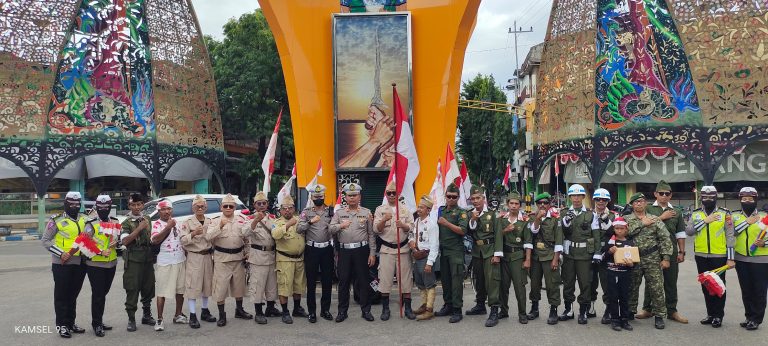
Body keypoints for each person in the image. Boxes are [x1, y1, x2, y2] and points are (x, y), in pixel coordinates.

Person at [638, 180, 688, 324]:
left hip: (671, 251)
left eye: (667, 193)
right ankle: (648, 309)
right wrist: (662, 218)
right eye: (661, 193)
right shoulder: (648, 209)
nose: (664, 196)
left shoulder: (677, 211)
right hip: (651, 250)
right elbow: (644, 226)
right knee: (651, 281)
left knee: (671, 281)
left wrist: (682, 252)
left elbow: (680, 233)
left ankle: (672, 310)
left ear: (671, 195)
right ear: (655, 194)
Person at [685, 185, 735, 328]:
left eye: (711, 197)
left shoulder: (725, 213)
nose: (708, 199)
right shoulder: (695, 213)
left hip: (719, 255)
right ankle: (711, 314)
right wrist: (705, 221)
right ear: (701, 197)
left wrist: (730, 258)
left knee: (718, 285)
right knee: (706, 286)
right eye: (705, 197)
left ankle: (718, 316)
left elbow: (730, 236)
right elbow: (689, 231)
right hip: (701, 255)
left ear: (715, 197)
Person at [42, 191, 89, 338]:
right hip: (62, 263)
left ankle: (70, 323)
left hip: (80, 263)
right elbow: (45, 240)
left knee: (73, 295)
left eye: (77, 204)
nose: (74, 206)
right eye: (71, 203)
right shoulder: (56, 220)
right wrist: (61, 253)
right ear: (65, 203)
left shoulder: (85, 219)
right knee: (62, 295)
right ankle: (62, 325)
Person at [329, 183, 377, 322]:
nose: (352, 198)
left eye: (354, 195)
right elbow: (331, 229)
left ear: (359, 196)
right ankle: (342, 312)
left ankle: (366, 310)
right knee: (343, 282)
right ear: (345, 197)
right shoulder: (339, 213)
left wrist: (372, 253)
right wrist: (340, 225)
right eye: (349, 196)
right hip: (345, 252)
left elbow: (371, 235)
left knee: (363, 281)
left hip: (362, 251)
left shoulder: (366, 213)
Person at [625, 193, 673, 330]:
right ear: (632, 205)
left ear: (645, 203)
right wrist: (641, 224)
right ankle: (629, 311)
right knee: (631, 286)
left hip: (652, 257)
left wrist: (666, 258)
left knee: (656, 288)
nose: (639, 204)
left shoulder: (654, 219)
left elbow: (664, 238)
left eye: (641, 201)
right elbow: (622, 234)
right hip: (633, 257)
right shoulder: (626, 219)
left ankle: (659, 315)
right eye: (636, 202)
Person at [205, 193, 253, 326]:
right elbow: (208, 237)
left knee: (239, 287)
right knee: (220, 288)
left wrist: (247, 252)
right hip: (222, 259)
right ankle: (222, 315)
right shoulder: (215, 221)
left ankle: (239, 310)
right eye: (225, 206)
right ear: (221, 207)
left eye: (230, 206)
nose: (228, 208)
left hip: (238, 258)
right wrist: (220, 226)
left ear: (234, 207)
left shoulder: (242, 219)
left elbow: (247, 238)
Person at [374, 180, 416, 320]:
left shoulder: (405, 209)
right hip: (386, 250)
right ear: (386, 194)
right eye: (389, 193)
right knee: (385, 280)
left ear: (398, 194)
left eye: (394, 193)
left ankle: (408, 308)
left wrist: (403, 225)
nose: (392, 195)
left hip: (403, 249)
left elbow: (411, 227)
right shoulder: (380, 210)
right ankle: (385, 309)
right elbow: (376, 230)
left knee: (406, 280)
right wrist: (384, 220)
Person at [559, 184, 601, 324]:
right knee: (568, 282)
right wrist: (566, 222)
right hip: (569, 254)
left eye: (579, 196)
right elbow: (561, 234)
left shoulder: (591, 214)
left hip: (584, 255)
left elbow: (596, 235)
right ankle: (568, 310)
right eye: (573, 196)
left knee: (585, 283)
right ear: (570, 197)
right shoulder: (564, 213)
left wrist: (597, 253)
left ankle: (583, 311)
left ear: (583, 197)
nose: (576, 199)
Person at [297, 184, 336, 323]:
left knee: (327, 281)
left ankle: (325, 310)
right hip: (312, 249)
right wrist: (310, 222)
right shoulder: (306, 212)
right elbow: (299, 228)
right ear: (311, 197)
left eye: (320, 196)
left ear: (324, 196)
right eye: (315, 196)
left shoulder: (331, 211)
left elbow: (336, 228)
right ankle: (312, 312)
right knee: (311, 282)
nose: (318, 198)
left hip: (326, 249)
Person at [466, 185, 502, 327]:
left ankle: (494, 310)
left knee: (492, 281)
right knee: (479, 280)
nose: (475, 201)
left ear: (483, 198)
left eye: (478, 198)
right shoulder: (470, 214)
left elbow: (498, 234)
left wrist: (497, 254)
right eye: (473, 199)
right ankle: (480, 305)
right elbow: (468, 231)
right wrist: (473, 219)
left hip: (490, 250)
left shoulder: (493, 213)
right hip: (477, 251)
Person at [83, 194, 119, 337]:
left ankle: (99, 320)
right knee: (98, 294)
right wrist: (99, 251)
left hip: (111, 263)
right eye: (101, 207)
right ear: (96, 207)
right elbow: (84, 243)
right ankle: (96, 324)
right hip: (95, 265)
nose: (104, 209)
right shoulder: (91, 223)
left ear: (110, 207)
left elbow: (119, 239)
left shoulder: (115, 221)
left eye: (106, 207)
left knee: (103, 294)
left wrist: (118, 242)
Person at [179, 195, 217, 328]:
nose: (200, 208)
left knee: (207, 285)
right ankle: (193, 315)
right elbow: (182, 240)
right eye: (197, 206)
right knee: (193, 286)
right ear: (193, 208)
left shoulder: (210, 221)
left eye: (202, 206)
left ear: (206, 207)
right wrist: (193, 233)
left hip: (207, 256)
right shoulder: (187, 222)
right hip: (194, 256)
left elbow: (214, 238)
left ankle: (205, 311)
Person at [733, 187, 768, 330]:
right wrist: (747, 222)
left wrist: (764, 243)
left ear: (756, 200)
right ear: (740, 200)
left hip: (760, 259)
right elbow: (732, 233)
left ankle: (756, 319)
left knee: (759, 291)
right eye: (744, 199)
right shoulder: (735, 216)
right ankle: (749, 317)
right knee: (746, 290)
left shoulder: (764, 216)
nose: (747, 201)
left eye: (750, 199)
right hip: (741, 259)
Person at [242, 191, 281, 324]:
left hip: (271, 255)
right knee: (257, 286)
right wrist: (255, 221)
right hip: (258, 256)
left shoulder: (272, 218)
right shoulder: (249, 218)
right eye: (259, 203)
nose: (262, 205)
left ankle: (270, 308)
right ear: (254, 205)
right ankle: (258, 312)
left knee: (271, 285)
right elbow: (245, 232)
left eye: (264, 203)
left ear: (267, 204)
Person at [120, 193, 156, 332]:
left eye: (139, 204)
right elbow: (125, 241)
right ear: (129, 206)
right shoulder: (126, 222)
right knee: (132, 288)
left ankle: (146, 315)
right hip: (133, 259)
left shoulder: (147, 218)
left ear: (142, 205)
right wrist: (139, 228)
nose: (136, 207)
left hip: (147, 259)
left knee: (148, 287)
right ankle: (131, 318)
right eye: (133, 205)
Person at [433, 182, 469, 323]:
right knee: (445, 281)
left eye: (454, 197)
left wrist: (446, 223)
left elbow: (462, 230)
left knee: (456, 281)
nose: (451, 199)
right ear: (445, 196)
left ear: (458, 197)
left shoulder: (461, 213)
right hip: (443, 251)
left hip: (456, 251)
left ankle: (457, 309)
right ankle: (448, 305)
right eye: (449, 196)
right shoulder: (441, 210)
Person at [150, 200, 187, 331]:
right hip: (165, 262)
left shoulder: (177, 223)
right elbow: (155, 240)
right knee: (162, 292)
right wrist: (168, 227)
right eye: (163, 209)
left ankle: (178, 315)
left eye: (169, 209)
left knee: (180, 290)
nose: (167, 211)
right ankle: (159, 319)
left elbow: (183, 240)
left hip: (180, 260)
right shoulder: (157, 224)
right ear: (159, 211)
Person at [528, 192, 564, 325]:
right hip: (536, 256)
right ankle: (534, 308)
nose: (542, 205)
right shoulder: (532, 217)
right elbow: (533, 232)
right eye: (539, 203)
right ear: (536, 204)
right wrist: (538, 218)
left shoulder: (555, 219)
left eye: (545, 203)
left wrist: (556, 259)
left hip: (550, 256)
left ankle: (553, 310)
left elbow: (559, 241)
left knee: (552, 284)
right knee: (534, 284)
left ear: (550, 204)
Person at [272, 196, 308, 324]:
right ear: (280, 210)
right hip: (285, 259)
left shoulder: (300, 220)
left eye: (290, 208)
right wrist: (287, 225)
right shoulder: (277, 222)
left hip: (299, 259)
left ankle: (297, 308)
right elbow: (275, 235)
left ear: (294, 209)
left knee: (298, 285)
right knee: (285, 286)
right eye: (284, 209)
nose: (287, 211)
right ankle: (285, 311)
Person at [498, 192, 532, 324]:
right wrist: (505, 230)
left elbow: (528, 242)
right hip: (504, 256)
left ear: (520, 206)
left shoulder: (524, 221)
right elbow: (497, 237)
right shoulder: (501, 219)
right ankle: (503, 310)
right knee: (503, 286)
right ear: (507, 204)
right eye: (511, 203)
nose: (513, 206)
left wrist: (527, 259)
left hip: (518, 256)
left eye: (516, 203)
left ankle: (522, 313)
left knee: (520, 287)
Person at [601, 217, 635, 332]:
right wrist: (609, 251)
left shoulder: (630, 242)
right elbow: (602, 258)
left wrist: (631, 264)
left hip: (625, 274)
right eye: (617, 228)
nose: (619, 231)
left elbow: (634, 261)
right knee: (613, 297)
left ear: (626, 229)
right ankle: (614, 319)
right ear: (613, 229)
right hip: (611, 273)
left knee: (625, 297)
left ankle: (624, 319)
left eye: (622, 228)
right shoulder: (610, 242)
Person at [589, 188, 616, 324]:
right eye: (598, 199)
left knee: (607, 283)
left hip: (607, 253)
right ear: (594, 200)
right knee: (590, 282)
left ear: (608, 201)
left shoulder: (613, 216)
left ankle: (609, 309)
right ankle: (591, 307)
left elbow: (616, 233)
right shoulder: (588, 214)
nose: (601, 202)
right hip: (590, 253)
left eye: (604, 199)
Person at [411, 195, 440, 321]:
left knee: (429, 284)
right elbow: (411, 235)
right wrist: (411, 241)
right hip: (417, 256)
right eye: (418, 207)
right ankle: (423, 305)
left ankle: (429, 309)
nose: (419, 209)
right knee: (420, 283)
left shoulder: (432, 224)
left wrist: (430, 263)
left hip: (426, 256)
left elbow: (434, 245)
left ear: (428, 210)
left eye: (422, 207)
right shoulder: (416, 221)